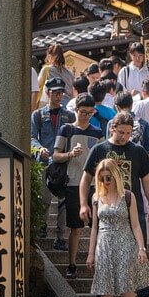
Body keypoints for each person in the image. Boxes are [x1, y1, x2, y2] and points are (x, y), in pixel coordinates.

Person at [81, 113, 149, 297]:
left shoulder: (137, 151)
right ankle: (103, 295)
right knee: (104, 256)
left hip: (131, 209)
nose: (125, 137)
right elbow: (86, 178)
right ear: (112, 129)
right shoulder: (99, 150)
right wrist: (83, 203)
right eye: (121, 132)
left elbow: (147, 181)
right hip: (107, 210)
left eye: (128, 133)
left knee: (139, 256)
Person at [87, 158, 149, 297]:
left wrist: (141, 248)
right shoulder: (96, 198)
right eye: (102, 178)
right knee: (105, 290)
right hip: (104, 244)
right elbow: (94, 227)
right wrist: (91, 253)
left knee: (125, 285)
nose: (105, 182)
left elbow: (136, 225)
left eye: (109, 177)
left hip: (125, 241)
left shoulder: (127, 196)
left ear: (116, 176)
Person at [53, 94, 106, 277]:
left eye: (90, 113)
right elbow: (55, 156)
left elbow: (103, 160)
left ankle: (98, 263)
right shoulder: (66, 129)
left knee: (97, 227)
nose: (86, 116)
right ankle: (72, 264)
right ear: (76, 110)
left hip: (95, 185)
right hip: (72, 182)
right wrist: (70, 154)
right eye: (83, 112)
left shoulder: (97, 132)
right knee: (75, 227)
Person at [31, 77, 75, 248]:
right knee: (44, 197)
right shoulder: (38, 115)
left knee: (63, 200)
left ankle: (61, 236)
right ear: (48, 93)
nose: (58, 96)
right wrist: (39, 149)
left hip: (63, 161)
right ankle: (41, 227)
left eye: (61, 92)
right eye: (55, 92)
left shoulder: (70, 116)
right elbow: (32, 136)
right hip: (43, 160)